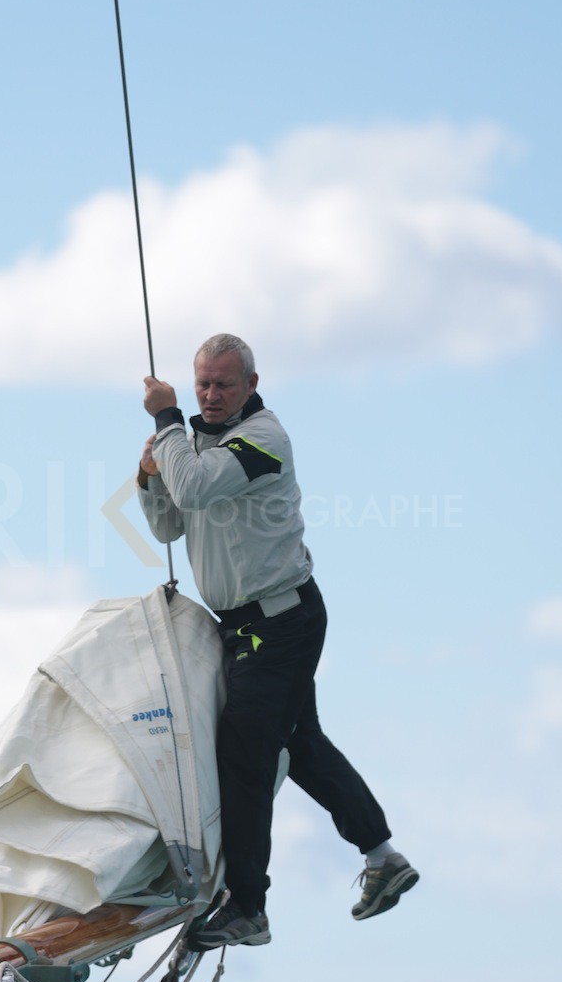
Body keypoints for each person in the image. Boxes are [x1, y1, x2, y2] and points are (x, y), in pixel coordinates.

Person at [137, 333, 418, 948]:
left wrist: (166, 420)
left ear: (251, 386)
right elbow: (165, 522)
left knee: (245, 752)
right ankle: (384, 857)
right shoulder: (194, 444)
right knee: (302, 742)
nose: (210, 396)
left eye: (224, 385)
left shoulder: (264, 439)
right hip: (246, 624)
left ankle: (247, 907)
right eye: (202, 384)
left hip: (281, 621)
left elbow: (196, 489)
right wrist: (148, 469)